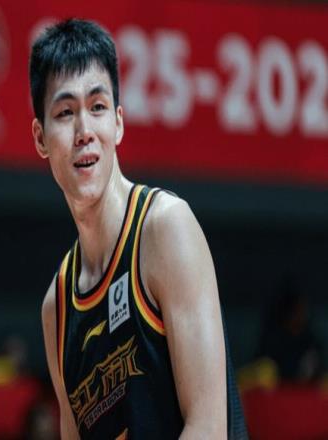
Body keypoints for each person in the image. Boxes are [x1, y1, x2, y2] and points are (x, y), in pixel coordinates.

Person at [29, 19, 247, 439]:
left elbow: (208, 427)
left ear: (119, 123)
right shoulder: (56, 308)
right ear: (40, 138)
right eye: (65, 113)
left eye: (97, 107)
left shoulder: (165, 228)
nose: (84, 132)